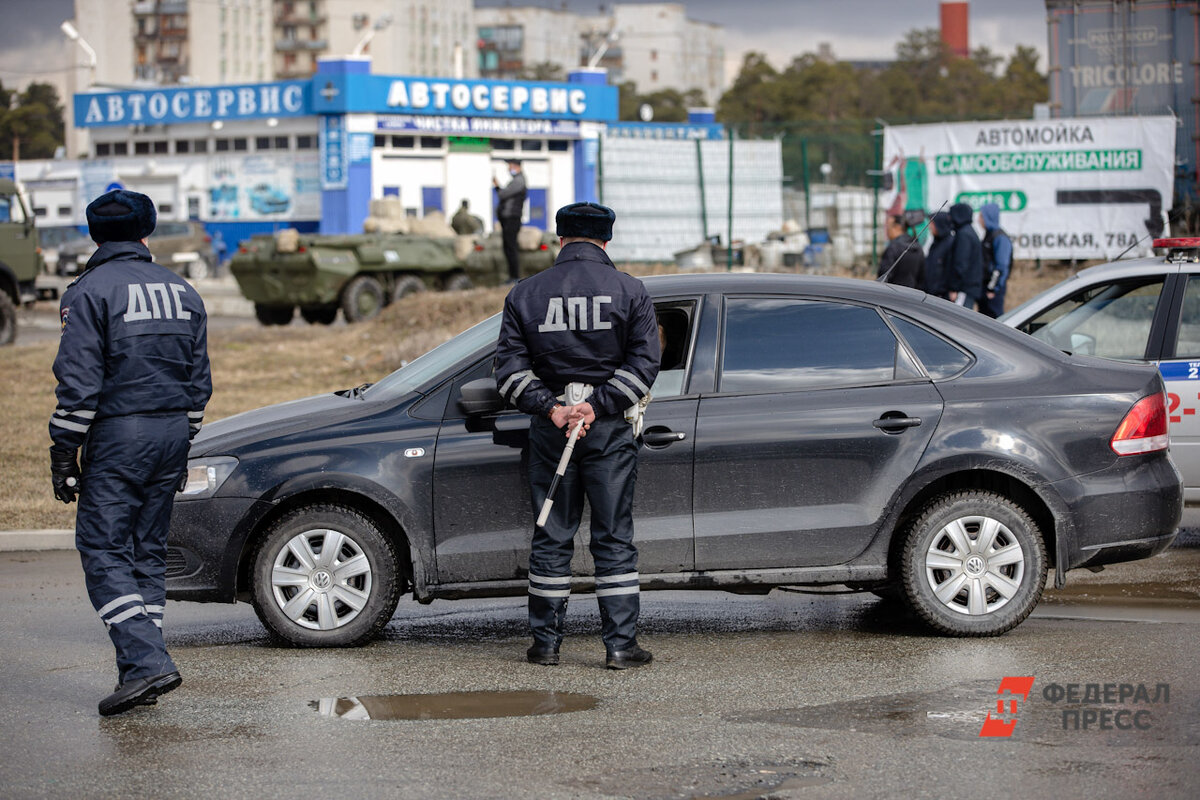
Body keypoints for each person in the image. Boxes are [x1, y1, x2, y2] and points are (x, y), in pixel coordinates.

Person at [49, 189, 212, 716]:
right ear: (148, 232)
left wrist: (63, 452)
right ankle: (140, 669)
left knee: (103, 549)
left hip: (120, 436)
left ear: (95, 235)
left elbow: (78, 383)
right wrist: (183, 440)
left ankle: (146, 664)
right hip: (171, 436)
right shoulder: (183, 290)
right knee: (146, 552)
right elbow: (198, 380)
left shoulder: (89, 292)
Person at [494, 201, 661, 670]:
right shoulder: (631, 291)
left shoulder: (525, 293)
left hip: (552, 433)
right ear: (606, 241)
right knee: (613, 538)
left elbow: (508, 371)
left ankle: (545, 645)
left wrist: (554, 409)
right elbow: (645, 365)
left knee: (551, 535)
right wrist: (598, 405)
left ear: (560, 239)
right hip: (607, 431)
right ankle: (621, 647)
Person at [493, 158, 527, 282]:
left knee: (511, 247)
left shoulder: (519, 181)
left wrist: (497, 187)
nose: (509, 168)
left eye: (510, 166)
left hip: (512, 218)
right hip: (508, 219)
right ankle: (512, 276)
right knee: (508, 247)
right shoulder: (515, 181)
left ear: (517, 166)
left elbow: (503, 195)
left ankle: (515, 276)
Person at [946, 201, 983, 310]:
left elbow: (961, 263)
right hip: (968, 287)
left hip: (964, 288)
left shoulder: (964, 235)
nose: (949, 218)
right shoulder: (968, 231)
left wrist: (954, 288)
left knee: (957, 320)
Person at [979, 202, 1013, 318]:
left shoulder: (1000, 238)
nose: (979, 220)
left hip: (993, 290)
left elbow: (1001, 266)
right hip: (986, 286)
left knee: (995, 320)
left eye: (981, 216)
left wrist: (992, 288)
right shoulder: (988, 235)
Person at [877, 214, 925, 289]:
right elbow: (923, 277)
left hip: (894, 296)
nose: (887, 231)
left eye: (888, 227)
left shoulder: (893, 248)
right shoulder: (918, 247)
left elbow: (883, 276)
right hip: (914, 296)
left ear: (897, 227)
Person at [923, 211, 953, 299]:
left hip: (942, 296)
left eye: (931, 223)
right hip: (930, 294)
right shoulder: (935, 243)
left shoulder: (950, 243)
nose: (929, 227)